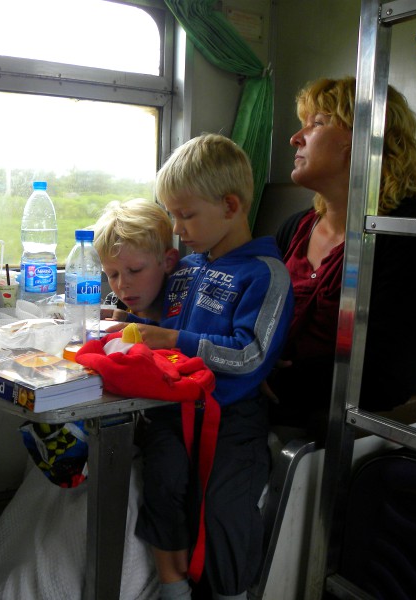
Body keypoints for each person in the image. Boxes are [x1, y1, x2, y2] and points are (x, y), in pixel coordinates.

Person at [121, 134, 294, 600]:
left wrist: (177, 340)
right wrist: (128, 321)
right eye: (172, 215)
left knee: (223, 507)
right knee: (163, 483)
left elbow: (250, 353)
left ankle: (232, 592)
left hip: (232, 413)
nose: (178, 228)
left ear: (231, 206)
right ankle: (174, 591)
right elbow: (168, 319)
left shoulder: (263, 274)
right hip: (174, 408)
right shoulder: (190, 267)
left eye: (186, 214)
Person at [265, 76, 416, 439]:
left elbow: (389, 375)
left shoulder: (412, 234)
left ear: (364, 138)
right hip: (267, 399)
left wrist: (268, 377)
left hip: (325, 421)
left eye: (317, 123)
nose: (296, 137)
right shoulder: (296, 228)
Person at [93, 198, 180, 322]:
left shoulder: (183, 311)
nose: (122, 284)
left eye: (135, 270)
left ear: (168, 262)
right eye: (113, 274)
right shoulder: (115, 304)